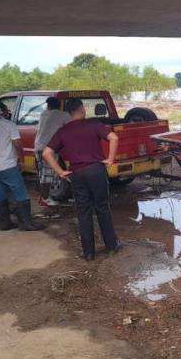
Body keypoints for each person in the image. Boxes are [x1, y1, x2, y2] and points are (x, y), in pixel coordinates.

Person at [42, 98, 121, 261]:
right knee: (102, 208)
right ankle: (112, 246)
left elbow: (46, 153)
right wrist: (111, 159)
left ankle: (89, 253)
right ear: (82, 110)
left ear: (69, 114)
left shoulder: (63, 131)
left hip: (76, 174)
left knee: (83, 212)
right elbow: (114, 138)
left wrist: (61, 172)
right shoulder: (93, 125)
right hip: (96, 171)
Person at [0, 101, 45, 232]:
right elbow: (18, 144)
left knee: (0, 194)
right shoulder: (10, 125)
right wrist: (21, 160)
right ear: (4, 112)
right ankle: (26, 223)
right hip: (9, 165)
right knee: (21, 194)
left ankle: (4, 223)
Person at [34, 96, 72, 207]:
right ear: (59, 106)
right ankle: (45, 199)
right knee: (48, 175)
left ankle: (44, 197)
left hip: (38, 147)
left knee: (43, 174)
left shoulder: (43, 114)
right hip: (48, 149)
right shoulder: (62, 115)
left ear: (48, 105)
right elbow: (73, 124)